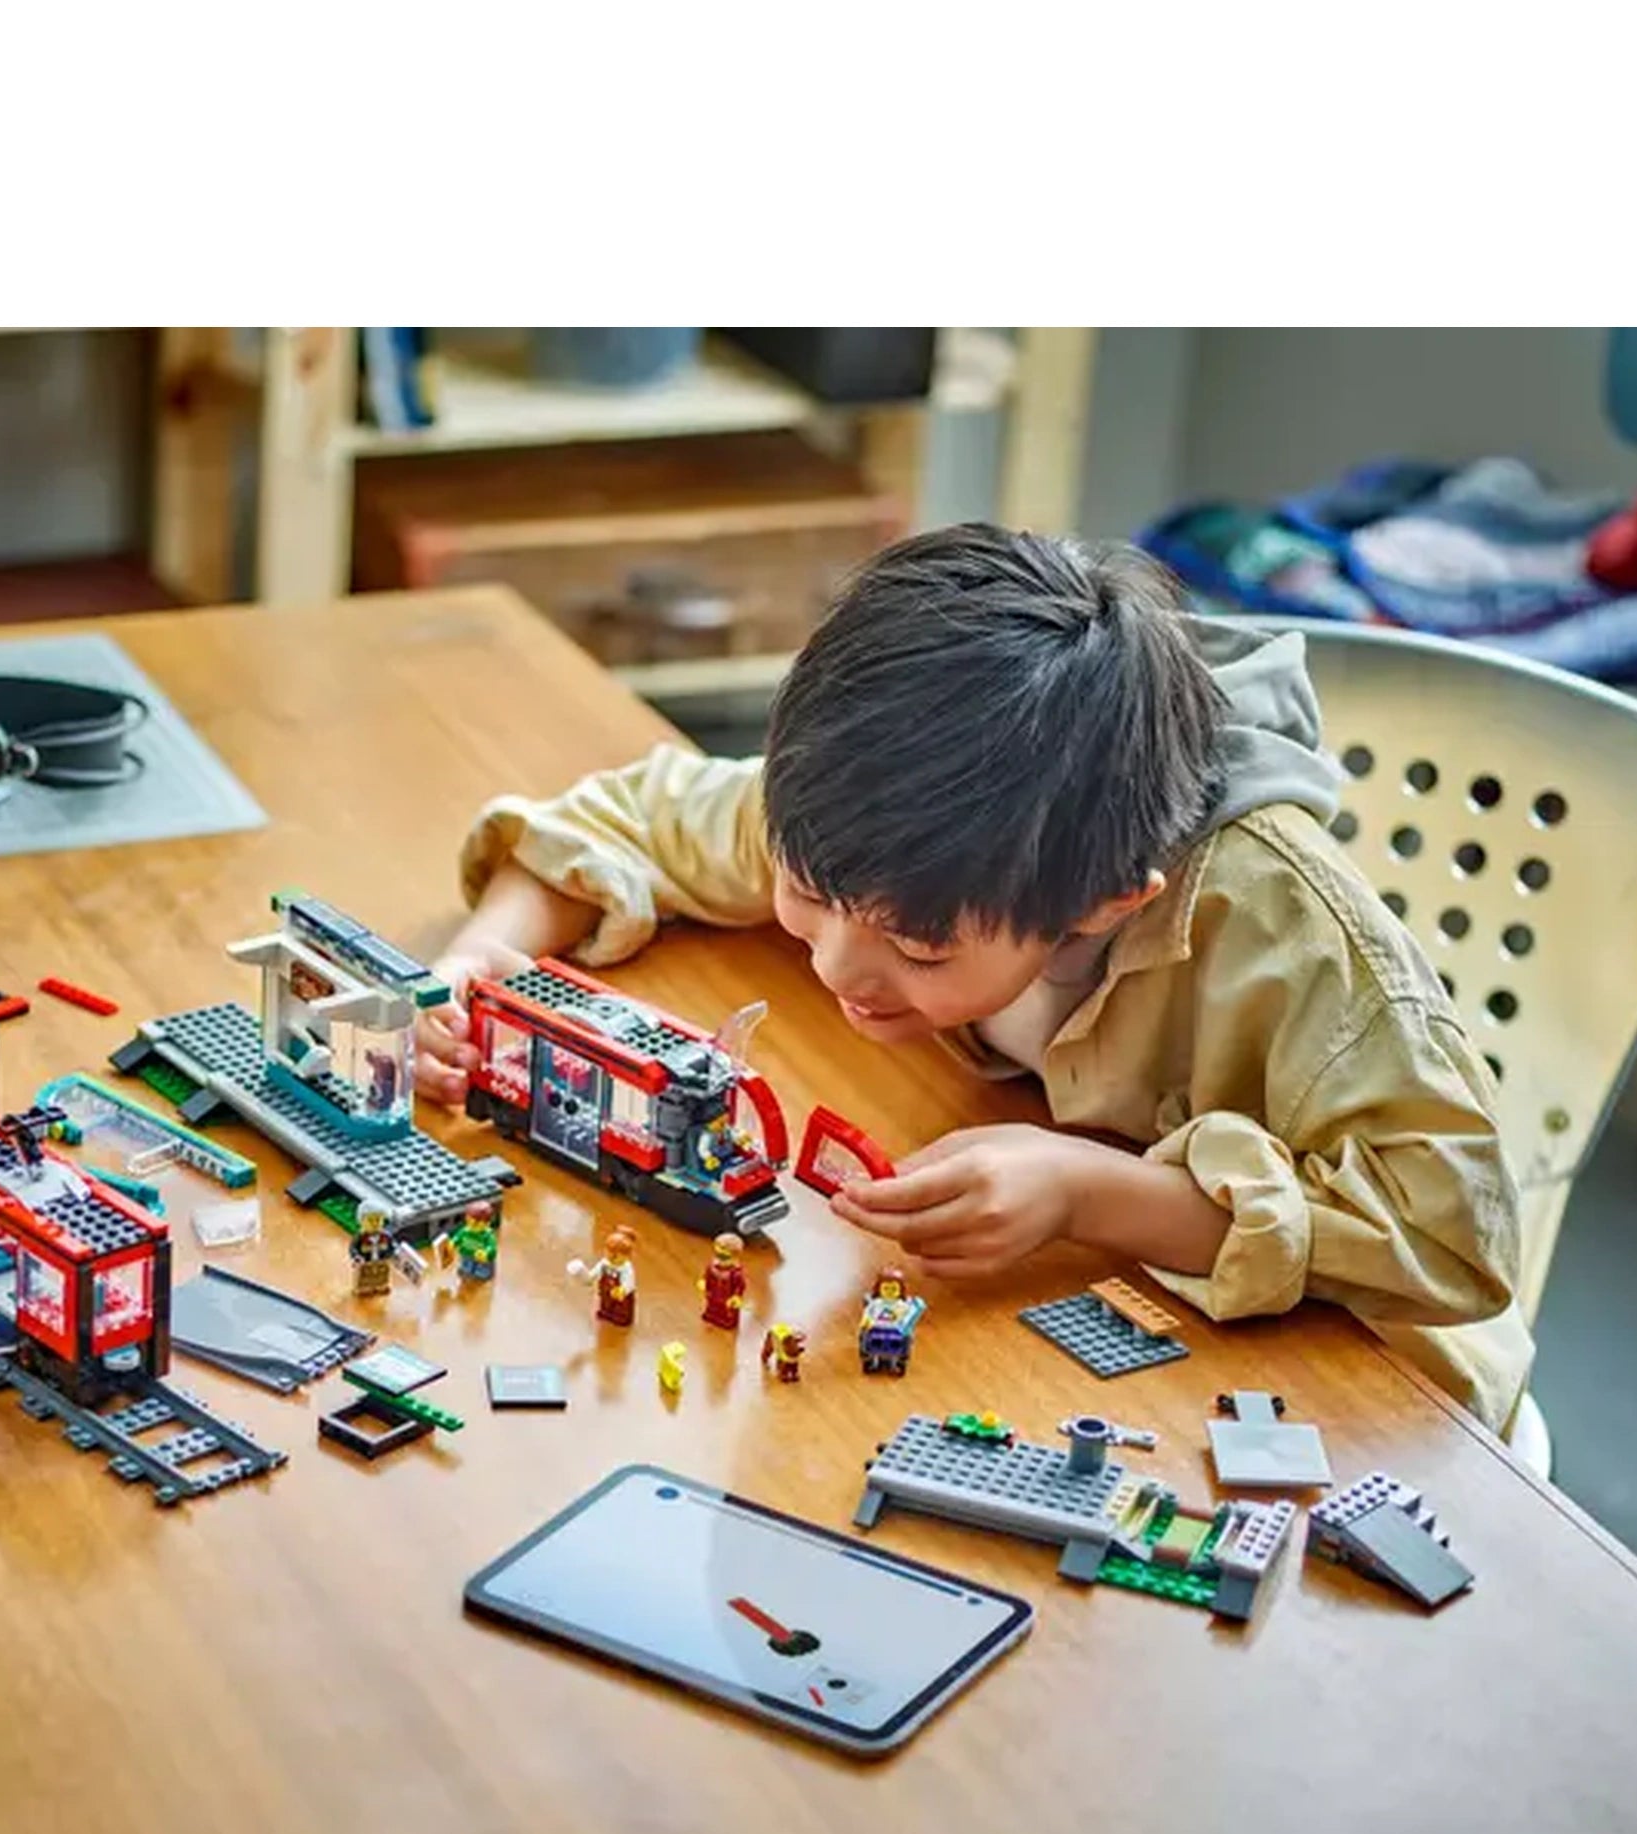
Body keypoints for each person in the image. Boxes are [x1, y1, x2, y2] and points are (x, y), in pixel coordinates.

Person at [418, 527, 1528, 1427]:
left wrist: (1095, 1194)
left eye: (919, 949)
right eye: (805, 890)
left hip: (1378, 1398)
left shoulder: (1284, 930)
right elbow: (636, 816)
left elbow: (1448, 1242)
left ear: (1110, 902)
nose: (837, 964)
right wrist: (482, 960)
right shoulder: (895, 818)